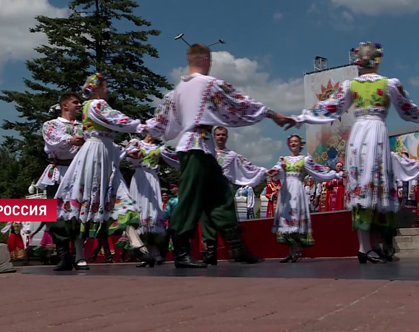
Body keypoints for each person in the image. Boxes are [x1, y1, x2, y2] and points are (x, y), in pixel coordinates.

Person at [140, 43, 295, 268]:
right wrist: (273, 115)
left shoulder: (175, 92)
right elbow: (241, 102)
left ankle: (237, 248)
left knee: (222, 195)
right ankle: (182, 252)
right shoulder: (210, 84)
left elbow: (160, 123)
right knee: (190, 198)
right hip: (195, 147)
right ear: (206, 60)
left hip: (201, 147)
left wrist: (138, 127)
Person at [292, 42, 419, 264]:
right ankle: (369, 247)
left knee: (364, 186)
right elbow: (407, 109)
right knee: (374, 186)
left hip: (358, 136)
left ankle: (367, 246)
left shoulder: (350, 85)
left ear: (358, 61)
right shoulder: (389, 84)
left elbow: (330, 108)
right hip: (377, 134)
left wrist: (302, 117)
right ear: (378, 60)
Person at [53, 73, 143, 271]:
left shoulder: (94, 107)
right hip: (95, 156)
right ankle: (78, 254)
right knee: (85, 200)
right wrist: (141, 125)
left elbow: (110, 135)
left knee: (121, 196)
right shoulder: (96, 105)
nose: (108, 91)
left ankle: (136, 242)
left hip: (106, 154)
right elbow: (117, 120)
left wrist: (126, 151)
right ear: (98, 88)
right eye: (106, 87)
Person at [266, 134, 343, 262]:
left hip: (297, 189)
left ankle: (297, 251)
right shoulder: (283, 159)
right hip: (286, 191)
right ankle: (290, 252)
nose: (293, 143)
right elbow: (278, 169)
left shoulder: (305, 159)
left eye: (296, 141)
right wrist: (274, 171)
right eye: (291, 142)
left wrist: (335, 174)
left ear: (300, 144)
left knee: (295, 218)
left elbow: (318, 170)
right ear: (288, 144)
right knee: (286, 218)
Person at [199, 126, 269, 266]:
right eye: (218, 134)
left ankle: (238, 252)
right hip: (206, 187)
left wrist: (266, 171)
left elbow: (249, 166)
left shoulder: (232, 155)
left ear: (227, 137)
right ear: (214, 136)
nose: (220, 137)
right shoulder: (205, 152)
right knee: (206, 219)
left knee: (229, 219)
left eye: (223, 134)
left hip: (223, 187)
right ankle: (211, 254)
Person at [35, 93, 84, 271]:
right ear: (65, 105)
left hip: (78, 171)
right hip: (58, 171)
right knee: (55, 213)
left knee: (78, 212)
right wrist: (70, 139)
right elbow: (52, 141)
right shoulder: (51, 125)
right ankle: (64, 255)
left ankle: (80, 256)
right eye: (75, 102)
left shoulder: (83, 126)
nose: (79, 105)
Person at [124, 133, 179, 267]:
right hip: (139, 179)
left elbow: (174, 158)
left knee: (153, 215)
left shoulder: (159, 148)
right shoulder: (136, 142)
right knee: (140, 214)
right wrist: (133, 155)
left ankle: (155, 252)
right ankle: (144, 252)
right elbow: (127, 153)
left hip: (152, 179)